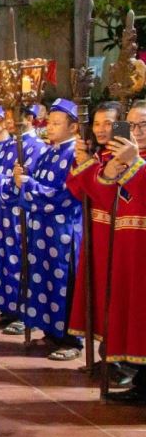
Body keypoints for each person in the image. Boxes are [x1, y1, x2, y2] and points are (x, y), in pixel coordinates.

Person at [12, 98, 84, 360]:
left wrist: (28, 184)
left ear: (73, 127)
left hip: (63, 231)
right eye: (49, 122)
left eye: (56, 123)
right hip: (41, 228)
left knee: (64, 282)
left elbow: (66, 195)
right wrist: (21, 178)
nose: (50, 127)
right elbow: (32, 181)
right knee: (43, 278)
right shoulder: (49, 152)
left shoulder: (75, 154)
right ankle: (51, 331)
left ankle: (71, 339)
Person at [66, 101, 128, 384]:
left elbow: (106, 195)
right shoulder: (98, 155)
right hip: (95, 234)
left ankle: (122, 363)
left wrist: (88, 167)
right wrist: (82, 162)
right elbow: (78, 190)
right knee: (98, 295)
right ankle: (107, 356)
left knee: (117, 297)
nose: (102, 129)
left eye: (109, 124)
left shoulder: (124, 159)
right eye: (97, 123)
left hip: (119, 237)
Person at [0, 107, 47, 330]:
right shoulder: (9, 145)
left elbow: (25, 181)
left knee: (19, 259)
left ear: (29, 118)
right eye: (7, 117)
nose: (10, 122)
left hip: (19, 213)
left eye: (14, 117)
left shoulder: (36, 146)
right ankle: (8, 308)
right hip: (1, 211)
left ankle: (25, 315)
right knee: (3, 259)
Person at [98, 100, 146, 403]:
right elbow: (100, 197)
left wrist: (136, 162)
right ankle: (140, 380)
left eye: (143, 125)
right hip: (126, 247)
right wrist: (108, 172)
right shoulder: (119, 156)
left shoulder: (136, 159)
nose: (136, 131)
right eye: (131, 125)